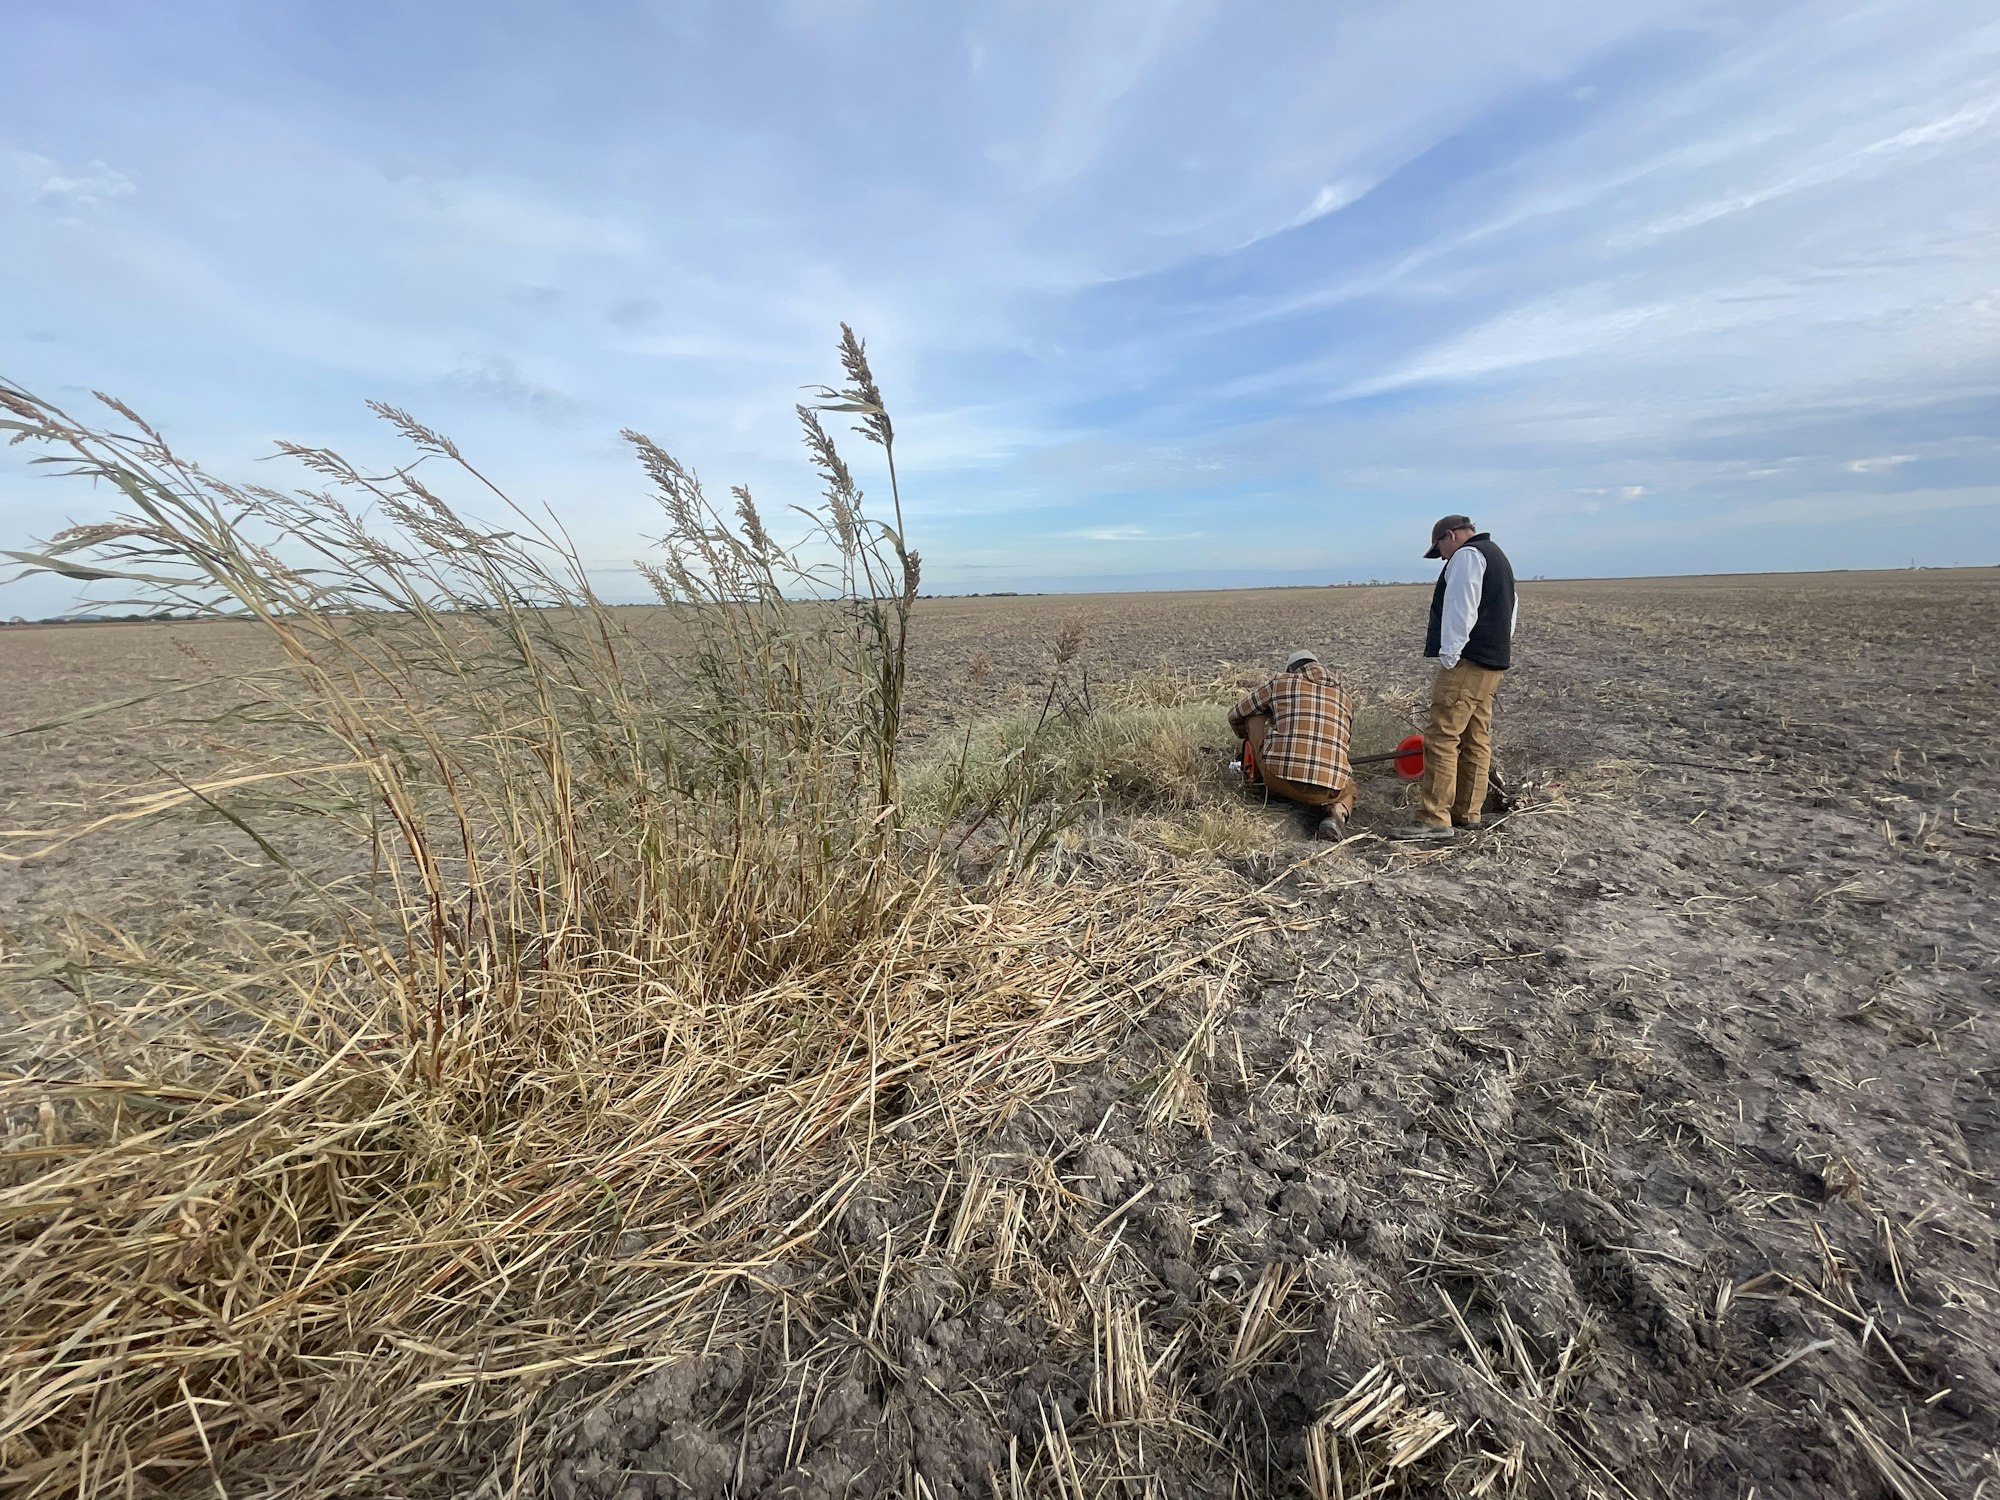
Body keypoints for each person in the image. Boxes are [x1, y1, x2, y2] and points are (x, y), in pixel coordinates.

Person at [1390, 515, 1517, 843]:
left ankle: (1434, 818)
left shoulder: (1467, 556)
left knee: (1442, 736)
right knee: (1476, 736)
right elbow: (1511, 612)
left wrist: (1451, 655)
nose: (1443, 557)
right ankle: (1467, 812)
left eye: (1440, 550)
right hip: (1493, 662)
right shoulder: (1497, 556)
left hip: (1468, 661)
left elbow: (1462, 608)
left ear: (1451, 536)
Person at [1228, 650, 1357, 840]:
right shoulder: (1344, 697)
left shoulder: (1282, 681)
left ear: (1292, 670)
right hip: (1328, 791)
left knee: (1253, 715)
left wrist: (1248, 738)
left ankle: (1255, 780)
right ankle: (1336, 815)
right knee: (1350, 786)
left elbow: (1236, 713)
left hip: (1278, 778)